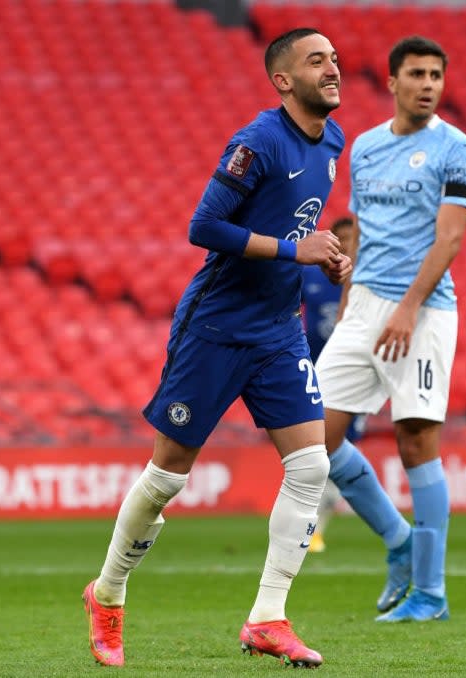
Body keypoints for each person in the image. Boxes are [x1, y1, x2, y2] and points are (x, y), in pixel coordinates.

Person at [82, 28, 349, 668]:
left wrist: (323, 256)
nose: (332, 68)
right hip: (217, 325)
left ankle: (267, 617)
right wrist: (296, 249)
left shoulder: (333, 141)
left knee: (311, 467)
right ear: (283, 80)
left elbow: (293, 221)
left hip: (279, 326)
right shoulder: (256, 142)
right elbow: (204, 227)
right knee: (168, 476)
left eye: (335, 59)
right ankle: (109, 593)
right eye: (317, 61)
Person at [315, 35, 466, 623]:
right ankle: (399, 540)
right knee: (313, 440)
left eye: (437, 74)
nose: (429, 84)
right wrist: (347, 297)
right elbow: (363, 231)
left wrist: (409, 307)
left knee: (416, 441)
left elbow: (450, 238)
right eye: (417, 74)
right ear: (392, 82)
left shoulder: (457, 150)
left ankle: (430, 594)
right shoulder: (363, 149)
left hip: (425, 311)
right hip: (363, 307)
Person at [300, 215, 366, 553]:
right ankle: (309, 526)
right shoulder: (312, 274)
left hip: (354, 376)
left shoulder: (368, 280)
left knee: (338, 450)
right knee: (317, 450)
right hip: (313, 371)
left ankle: (315, 526)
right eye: (341, 239)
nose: (346, 245)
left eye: (352, 238)